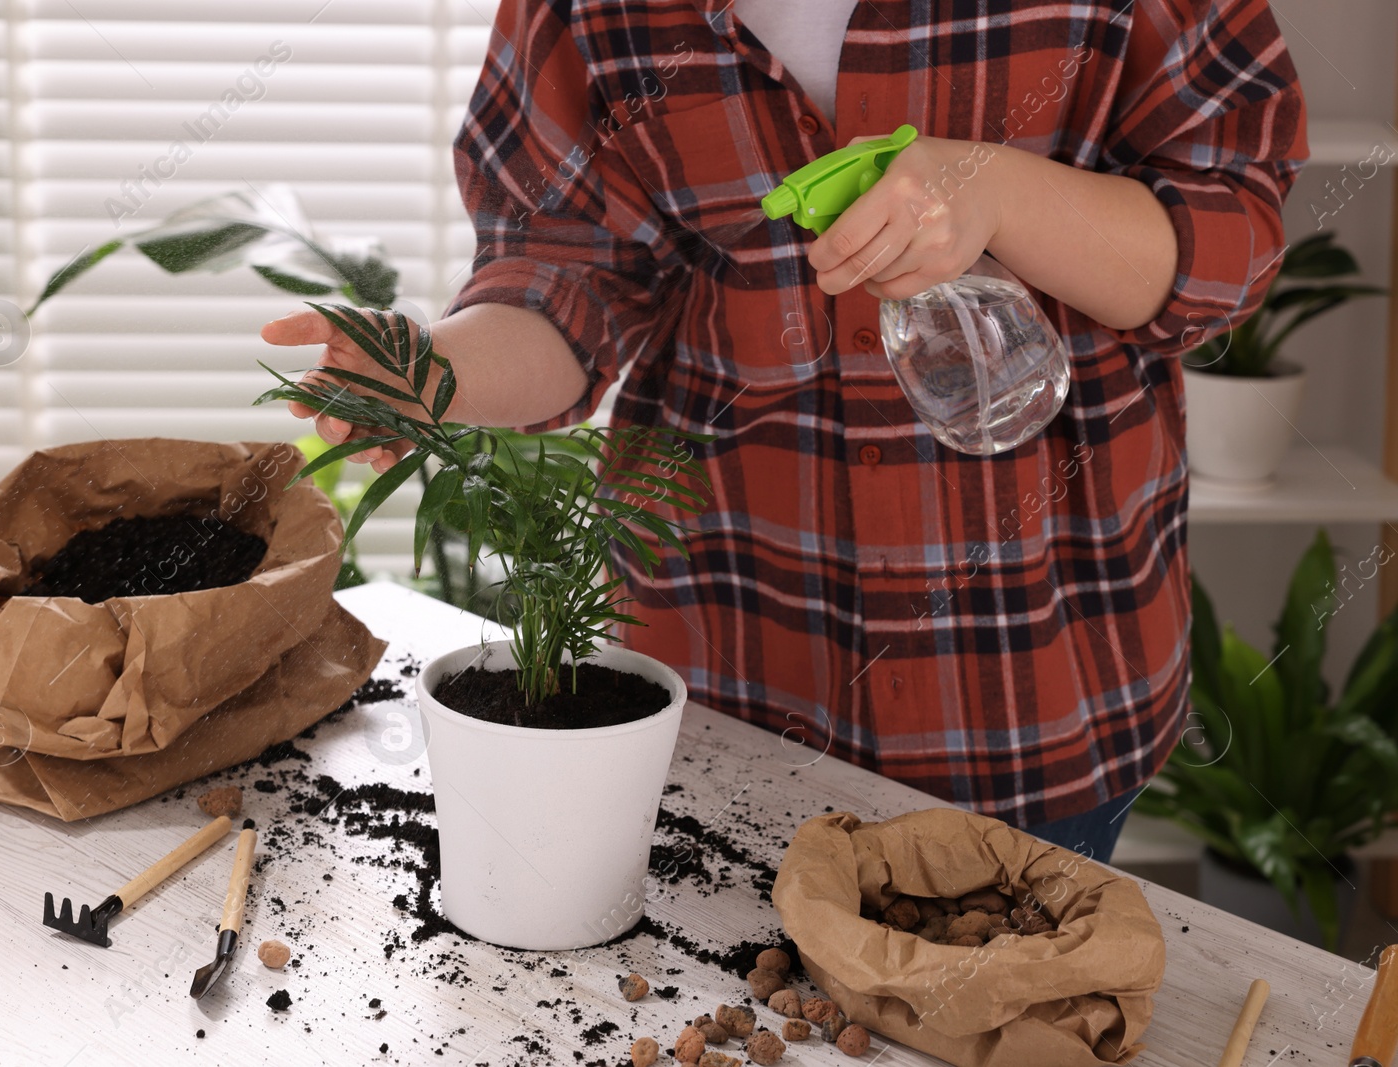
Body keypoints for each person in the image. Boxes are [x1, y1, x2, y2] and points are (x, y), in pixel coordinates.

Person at [262, 0, 1306, 860]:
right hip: (728, 675)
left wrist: (997, 190)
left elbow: (1227, 241)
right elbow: (569, 282)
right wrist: (430, 370)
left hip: (1034, 686)